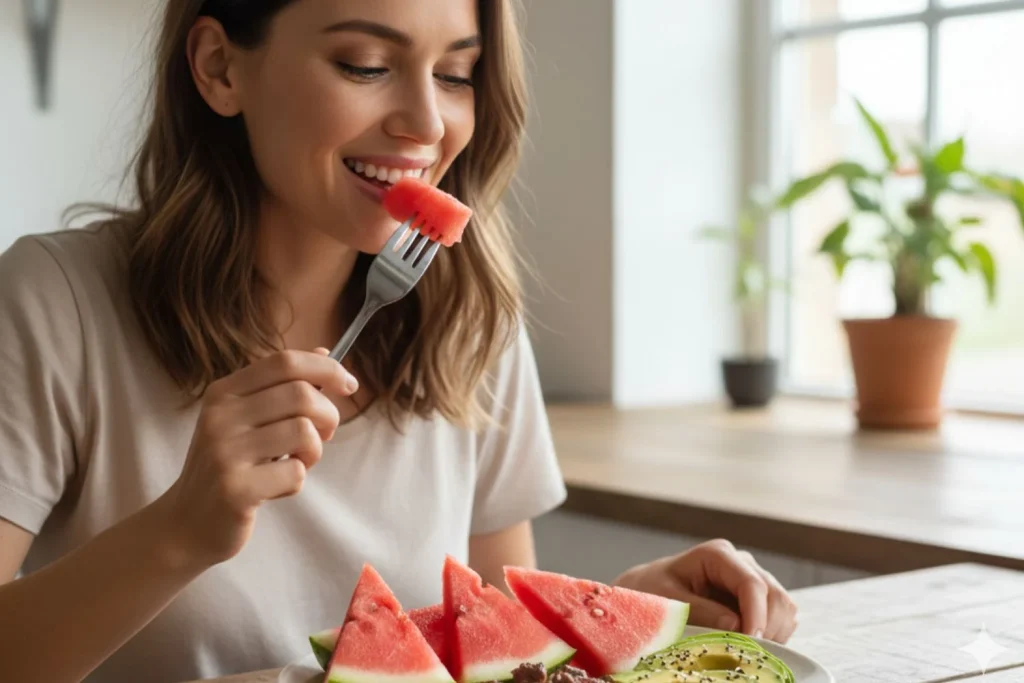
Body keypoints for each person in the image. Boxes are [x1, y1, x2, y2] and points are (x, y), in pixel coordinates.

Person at [0, 1, 799, 682]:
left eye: (456, 74)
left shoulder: (475, 324)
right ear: (219, 68)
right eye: (364, 63)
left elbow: (483, 628)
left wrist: (620, 604)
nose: (426, 123)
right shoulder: (55, 300)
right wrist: (178, 530)